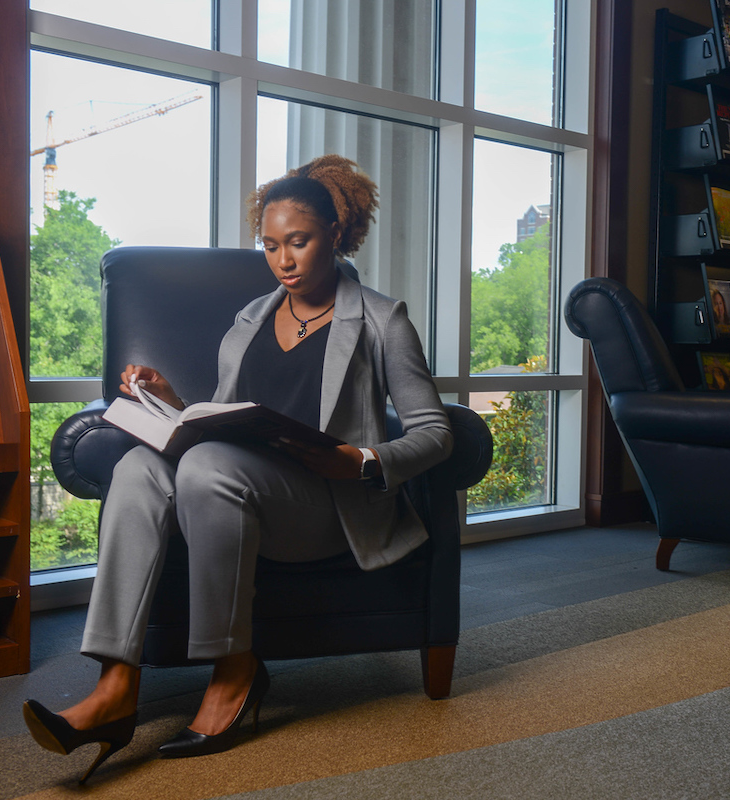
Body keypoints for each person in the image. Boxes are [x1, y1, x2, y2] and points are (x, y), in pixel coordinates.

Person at [22, 154, 453, 782]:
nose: (283, 260)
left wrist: (359, 460)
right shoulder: (248, 321)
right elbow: (225, 419)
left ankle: (234, 670)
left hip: (326, 508)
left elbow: (436, 432)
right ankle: (115, 686)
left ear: (335, 232)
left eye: (298, 242)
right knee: (140, 469)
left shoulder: (382, 320)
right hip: (237, 494)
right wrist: (169, 402)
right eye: (271, 245)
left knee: (208, 471)